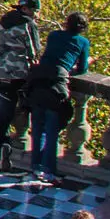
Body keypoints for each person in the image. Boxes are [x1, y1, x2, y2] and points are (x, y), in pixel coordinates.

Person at [0, 0, 42, 173]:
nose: (36, 15)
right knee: (3, 120)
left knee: (0, 116)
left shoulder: (3, 21)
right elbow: (34, 51)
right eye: (35, 11)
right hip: (12, 76)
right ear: (27, 9)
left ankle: (3, 151)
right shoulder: (28, 25)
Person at [26, 11, 90, 187]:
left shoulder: (54, 35)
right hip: (57, 86)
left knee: (38, 127)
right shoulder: (83, 42)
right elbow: (83, 68)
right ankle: (49, 171)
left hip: (38, 80)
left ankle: (35, 166)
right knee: (52, 130)